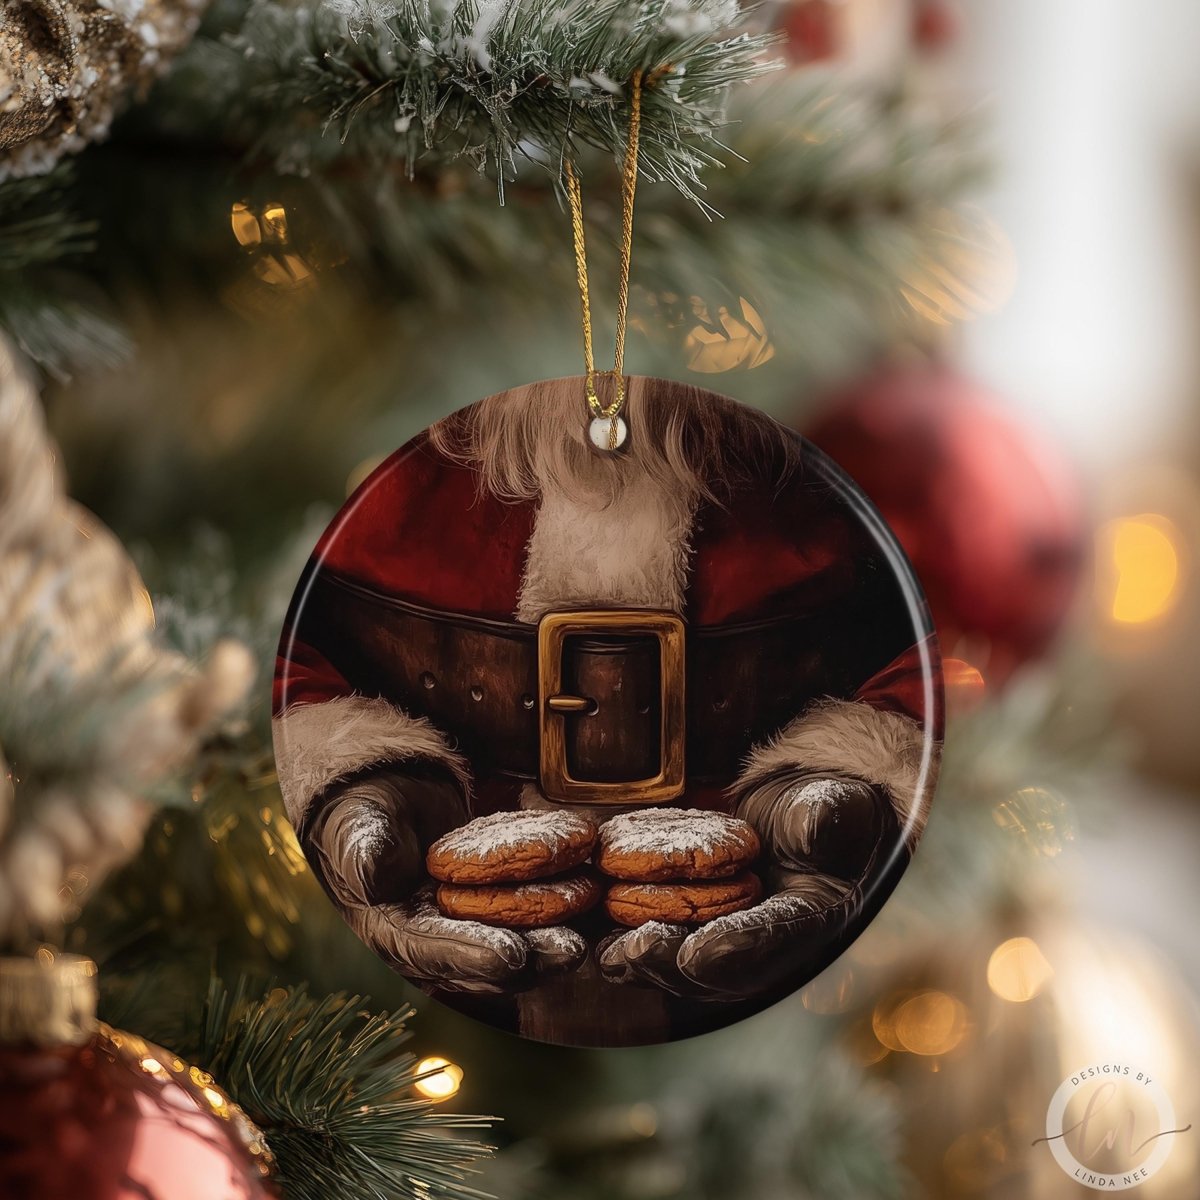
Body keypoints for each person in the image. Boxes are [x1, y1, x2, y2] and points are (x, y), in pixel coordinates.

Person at [273, 378, 941, 1044]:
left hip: (772, 876)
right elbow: (272, 605)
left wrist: (861, 785)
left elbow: (941, 616)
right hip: (437, 890)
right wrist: (344, 781)